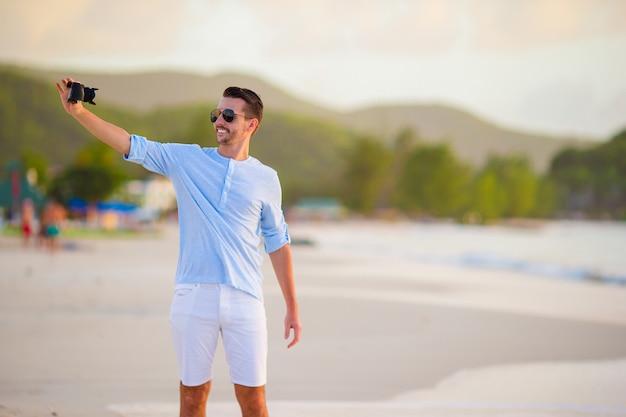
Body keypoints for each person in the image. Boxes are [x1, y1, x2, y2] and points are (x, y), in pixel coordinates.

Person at [56, 77, 302, 417]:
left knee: (254, 401)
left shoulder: (266, 178)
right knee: (191, 398)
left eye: (229, 116)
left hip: (245, 298)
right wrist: (79, 112)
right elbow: (130, 144)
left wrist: (292, 305)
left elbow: (277, 241)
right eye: (217, 113)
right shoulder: (186, 160)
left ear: (251, 124)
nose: (219, 121)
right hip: (194, 294)